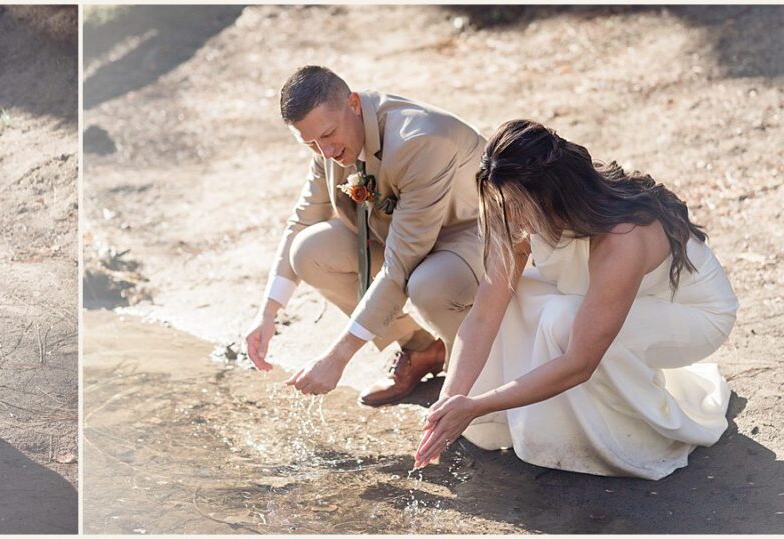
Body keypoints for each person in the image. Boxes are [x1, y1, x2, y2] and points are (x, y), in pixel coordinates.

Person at [415, 119, 738, 480]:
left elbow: (580, 362)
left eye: (518, 207)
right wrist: (447, 404)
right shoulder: (517, 209)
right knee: (513, 297)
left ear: (552, 195)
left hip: (695, 317)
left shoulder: (622, 237)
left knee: (562, 320)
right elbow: (483, 317)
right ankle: (508, 422)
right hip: (609, 300)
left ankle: (629, 437)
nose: (511, 218)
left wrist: (475, 405)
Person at [245, 65, 486, 405]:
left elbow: (401, 263)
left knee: (429, 284)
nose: (324, 152)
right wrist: (267, 312)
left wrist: (338, 357)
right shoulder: (326, 142)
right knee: (309, 251)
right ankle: (420, 350)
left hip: (470, 236)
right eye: (310, 142)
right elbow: (303, 218)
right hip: (401, 236)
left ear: (354, 104)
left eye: (328, 135)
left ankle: (470, 378)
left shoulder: (420, 140)